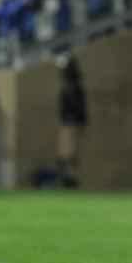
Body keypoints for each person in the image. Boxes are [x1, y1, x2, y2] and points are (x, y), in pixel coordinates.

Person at [57, 56, 87, 188]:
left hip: (70, 123)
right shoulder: (75, 88)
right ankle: (69, 177)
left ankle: (70, 178)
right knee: (69, 153)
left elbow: (77, 107)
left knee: (69, 153)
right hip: (71, 123)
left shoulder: (71, 89)